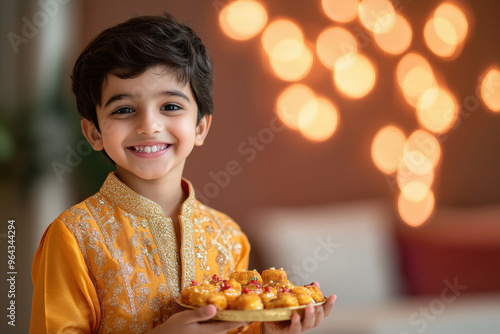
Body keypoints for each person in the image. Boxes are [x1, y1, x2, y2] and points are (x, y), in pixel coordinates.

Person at [29, 13, 335, 334]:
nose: (149, 125)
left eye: (171, 106)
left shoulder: (229, 238)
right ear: (93, 133)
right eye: (123, 109)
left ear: (200, 127)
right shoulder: (75, 236)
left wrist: (267, 330)